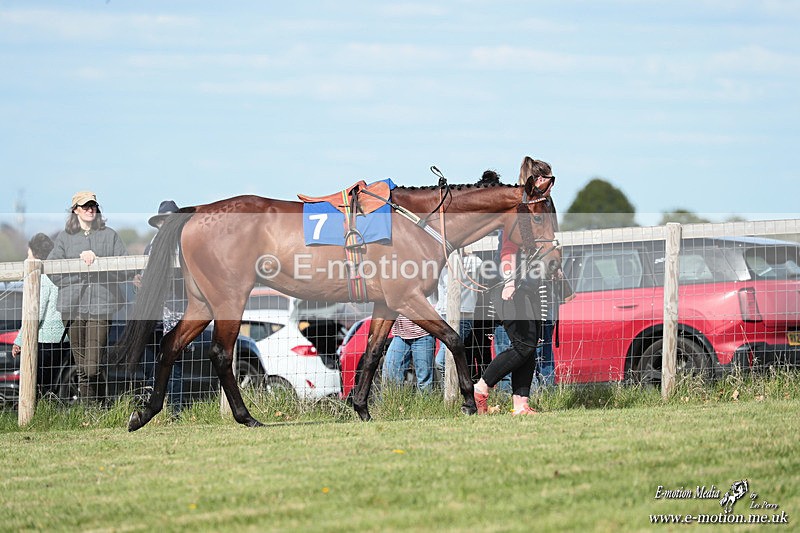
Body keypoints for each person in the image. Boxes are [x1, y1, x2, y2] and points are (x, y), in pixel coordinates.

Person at [472, 159, 556, 415]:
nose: (552, 187)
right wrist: (509, 282)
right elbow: (508, 249)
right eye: (551, 180)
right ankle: (482, 387)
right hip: (509, 286)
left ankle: (521, 404)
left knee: (528, 346)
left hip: (528, 285)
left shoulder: (536, 210)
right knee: (523, 345)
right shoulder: (518, 211)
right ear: (539, 181)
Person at [48, 191, 127, 404]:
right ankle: (92, 411)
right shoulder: (64, 238)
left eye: (93, 205)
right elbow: (52, 270)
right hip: (72, 308)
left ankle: (100, 404)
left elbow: (126, 269)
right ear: (75, 210)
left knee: (92, 366)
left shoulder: (110, 235)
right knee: (82, 368)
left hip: (101, 306)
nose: (90, 209)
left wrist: (100, 263)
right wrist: (77, 265)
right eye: (85, 206)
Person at [136, 200, 185, 413]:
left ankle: (174, 410)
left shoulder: (183, 245)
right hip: (153, 314)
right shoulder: (151, 246)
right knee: (151, 364)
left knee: (173, 363)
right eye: (164, 220)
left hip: (174, 312)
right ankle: (155, 406)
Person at [11, 233, 68, 394]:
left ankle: (37, 415)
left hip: (45, 340)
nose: (26, 259)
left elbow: (35, 312)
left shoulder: (42, 277)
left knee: (40, 386)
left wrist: (20, 340)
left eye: (28, 255)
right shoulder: (58, 273)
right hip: (61, 337)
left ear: (36, 256)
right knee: (53, 385)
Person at [432, 246, 482, 384]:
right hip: (443, 316)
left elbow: (474, 264)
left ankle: (454, 392)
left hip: (462, 317)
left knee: (442, 361)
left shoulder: (474, 261)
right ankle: (455, 391)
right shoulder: (440, 263)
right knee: (449, 360)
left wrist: (454, 259)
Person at [382, 313, 436, 392]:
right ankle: (392, 402)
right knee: (390, 373)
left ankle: (425, 403)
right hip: (400, 335)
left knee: (424, 379)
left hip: (423, 334)